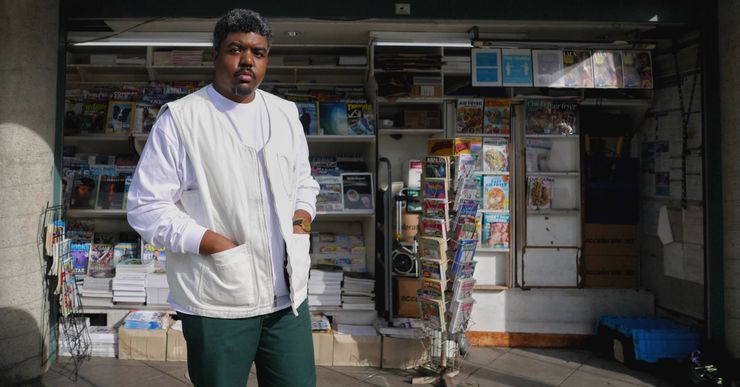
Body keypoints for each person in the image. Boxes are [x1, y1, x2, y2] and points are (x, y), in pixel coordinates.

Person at [126, 9, 319, 387]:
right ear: (213, 55)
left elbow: (304, 181)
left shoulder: (284, 114)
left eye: (258, 53)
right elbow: (145, 207)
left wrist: (300, 223)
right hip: (218, 298)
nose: (247, 60)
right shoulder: (182, 120)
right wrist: (215, 244)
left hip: (288, 300)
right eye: (236, 49)